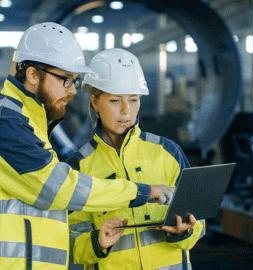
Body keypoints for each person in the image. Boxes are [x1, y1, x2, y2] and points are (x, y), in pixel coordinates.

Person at [0, 23, 174, 270]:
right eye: (66, 80)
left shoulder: (29, 122)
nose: (72, 91)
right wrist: (140, 192)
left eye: (75, 81)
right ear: (32, 75)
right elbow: (56, 188)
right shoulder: (7, 122)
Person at [68, 48, 206, 270]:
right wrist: (98, 242)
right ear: (94, 102)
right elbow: (73, 240)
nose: (126, 111)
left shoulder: (168, 152)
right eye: (115, 101)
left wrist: (186, 230)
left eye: (133, 99)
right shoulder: (79, 167)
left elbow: (199, 220)